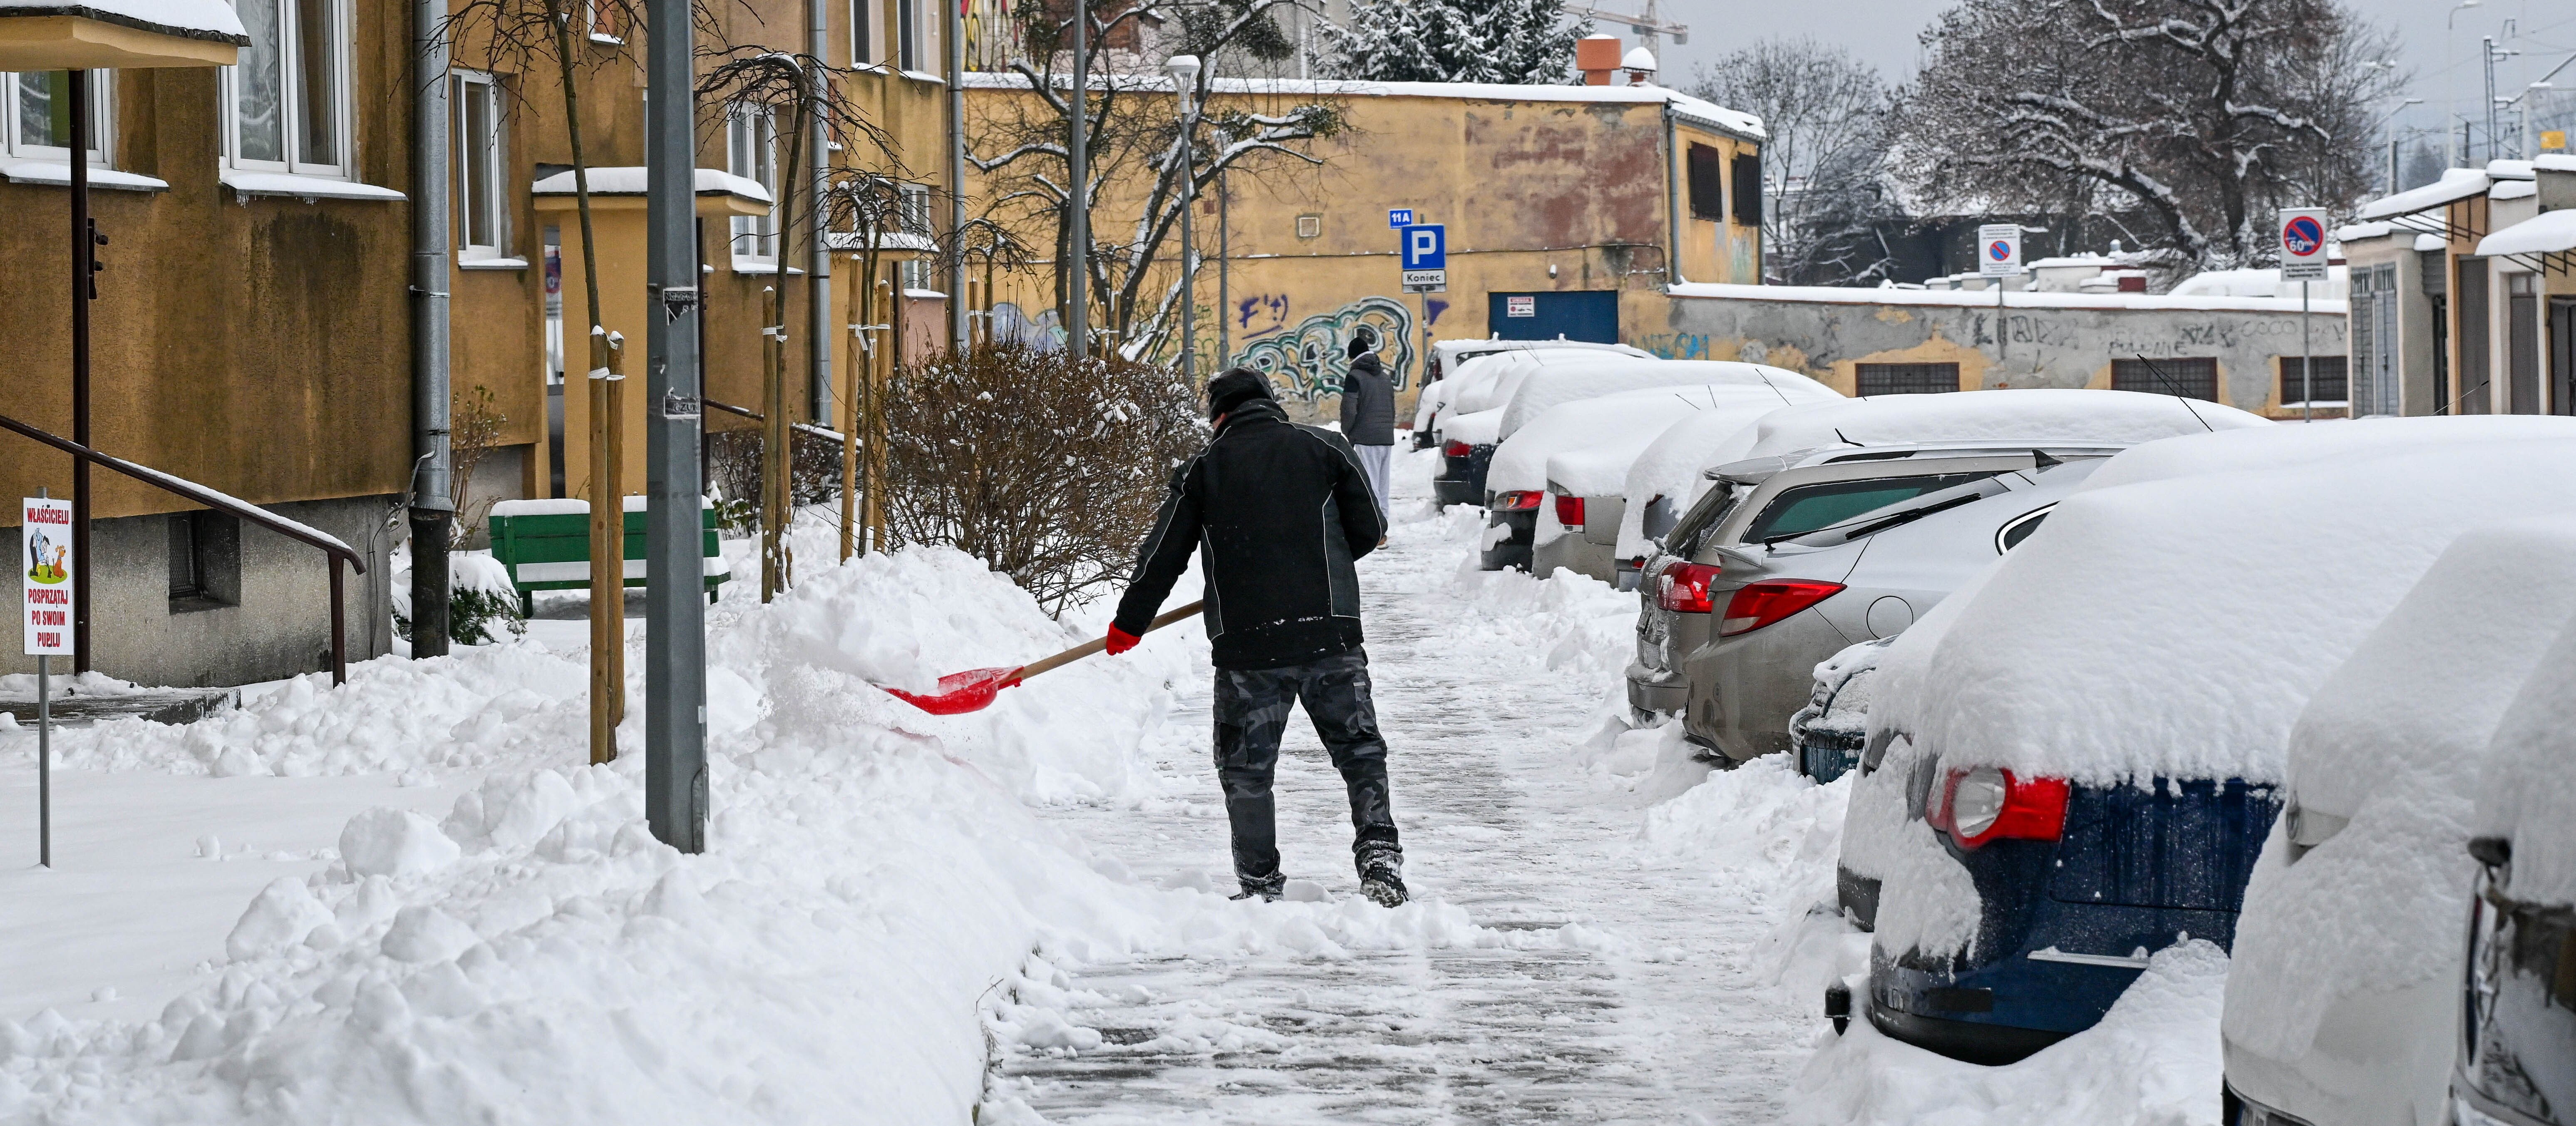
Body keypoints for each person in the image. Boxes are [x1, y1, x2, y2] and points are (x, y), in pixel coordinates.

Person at [1107, 367, 1405, 907]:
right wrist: (1320, 562)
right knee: (1360, 751)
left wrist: (1130, 623)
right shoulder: (1325, 447)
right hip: (1330, 634)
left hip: (1248, 646)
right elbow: (1369, 528)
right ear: (1270, 402)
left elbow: (1162, 558)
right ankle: (1380, 859)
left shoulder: (1202, 470)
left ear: (1218, 416)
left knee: (1246, 770)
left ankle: (1261, 885)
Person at [1338, 330, 1397, 521]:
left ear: (1353, 357)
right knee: (1383, 485)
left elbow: (1349, 409)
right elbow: (1392, 408)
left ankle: (1376, 527)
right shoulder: (1386, 378)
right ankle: (1384, 524)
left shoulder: (1354, 377)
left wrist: (1348, 431)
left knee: (1369, 484)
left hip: (1365, 438)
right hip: (1386, 437)